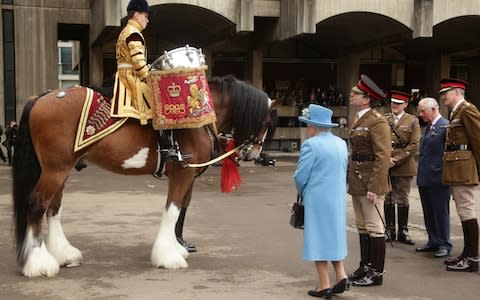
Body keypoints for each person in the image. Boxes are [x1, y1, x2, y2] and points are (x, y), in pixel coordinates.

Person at [294, 104, 349, 298]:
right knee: (333, 236)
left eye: (307, 125)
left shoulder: (311, 144)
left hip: (317, 197)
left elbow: (300, 176)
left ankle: (324, 284)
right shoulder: (341, 143)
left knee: (317, 238)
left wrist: (302, 191)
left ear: (313, 127)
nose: (306, 129)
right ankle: (341, 274)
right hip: (337, 196)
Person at [347, 74, 391, 287]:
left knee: (375, 226)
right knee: (362, 225)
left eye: (355, 93)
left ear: (366, 99)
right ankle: (365, 266)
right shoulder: (358, 118)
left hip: (370, 183)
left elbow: (382, 156)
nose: (351, 95)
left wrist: (374, 187)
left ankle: (376, 273)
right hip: (357, 181)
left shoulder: (377, 121)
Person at [440, 78, 480, 272]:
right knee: (463, 212)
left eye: (445, 92)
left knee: (467, 212)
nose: (443, 96)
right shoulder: (456, 111)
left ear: (457, 92)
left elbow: (478, 139)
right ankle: (466, 254)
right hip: (456, 169)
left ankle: (472, 258)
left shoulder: (467, 109)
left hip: (464, 169)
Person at [415, 97, 452, 258]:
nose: (421, 114)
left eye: (423, 111)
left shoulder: (445, 126)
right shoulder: (430, 127)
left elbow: (450, 153)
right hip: (425, 177)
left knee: (440, 212)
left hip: (438, 178)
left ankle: (444, 243)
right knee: (428, 211)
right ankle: (433, 241)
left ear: (433, 109)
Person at [384, 90, 420, 245]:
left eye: (398, 103)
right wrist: (386, 159)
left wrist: (396, 160)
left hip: (404, 164)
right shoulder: (384, 119)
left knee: (403, 198)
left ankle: (403, 230)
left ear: (405, 104)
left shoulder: (412, 120)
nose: (395, 105)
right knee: (388, 197)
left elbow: (414, 146)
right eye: (393, 102)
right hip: (386, 164)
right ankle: (390, 229)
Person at [111, 0, 153, 125]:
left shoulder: (125, 31)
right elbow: (139, 64)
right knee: (157, 102)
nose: (147, 20)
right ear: (136, 15)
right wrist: (150, 78)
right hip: (131, 78)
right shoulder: (134, 33)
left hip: (123, 75)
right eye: (146, 16)